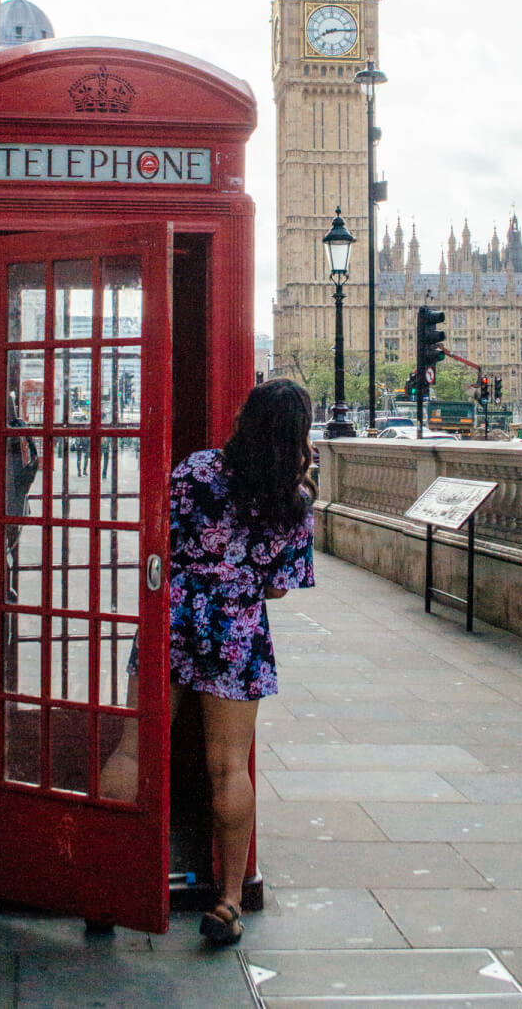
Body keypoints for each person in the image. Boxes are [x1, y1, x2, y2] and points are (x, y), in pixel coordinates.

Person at [100, 378, 314, 945]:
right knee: (227, 767)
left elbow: (158, 538)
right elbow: (279, 589)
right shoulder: (291, 498)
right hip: (235, 631)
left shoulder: (195, 470)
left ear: (244, 416)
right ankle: (227, 902)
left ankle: (102, 883)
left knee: (132, 748)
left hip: (172, 616)